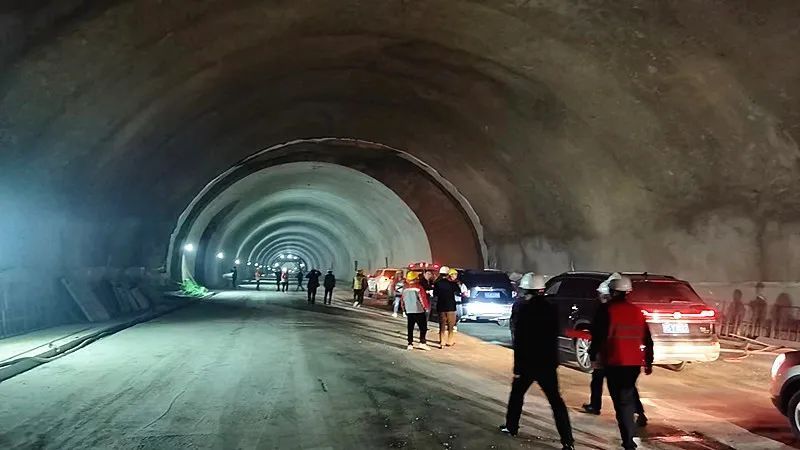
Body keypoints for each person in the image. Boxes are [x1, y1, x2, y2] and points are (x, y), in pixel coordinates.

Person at [500, 272, 574, 450]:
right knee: (556, 401)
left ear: (526, 290)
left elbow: (520, 339)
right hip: (547, 363)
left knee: (517, 395)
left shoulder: (523, 309)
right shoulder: (552, 308)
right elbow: (554, 335)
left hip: (528, 363)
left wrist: (517, 366)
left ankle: (511, 427)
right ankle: (568, 440)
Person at [589, 276, 654, 450]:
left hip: (614, 361)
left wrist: (593, 356)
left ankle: (628, 440)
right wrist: (649, 361)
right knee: (627, 396)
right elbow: (648, 339)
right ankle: (630, 436)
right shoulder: (637, 312)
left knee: (621, 402)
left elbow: (598, 336)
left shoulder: (606, 310)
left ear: (613, 292)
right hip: (633, 364)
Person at [401, 271, 430, 350]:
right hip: (418, 310)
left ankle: (410, 343)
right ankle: (422, 342)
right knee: (423, 327)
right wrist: (426, 308)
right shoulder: (418, 287)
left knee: (410, 328)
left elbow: (402, 300)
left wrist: (404, 310)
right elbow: (422, 298)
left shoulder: (405, 288)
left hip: (409, 311)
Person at [433, 267, 460, 348]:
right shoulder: (453, 284)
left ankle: (442, 342)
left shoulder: (438, 283)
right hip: (450, 307)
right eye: (455, 275)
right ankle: (450, 341)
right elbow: (459, 291)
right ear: (450, 275)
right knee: (451, 325)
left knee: (442, 325)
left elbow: (435, 294)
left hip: (441, 306)